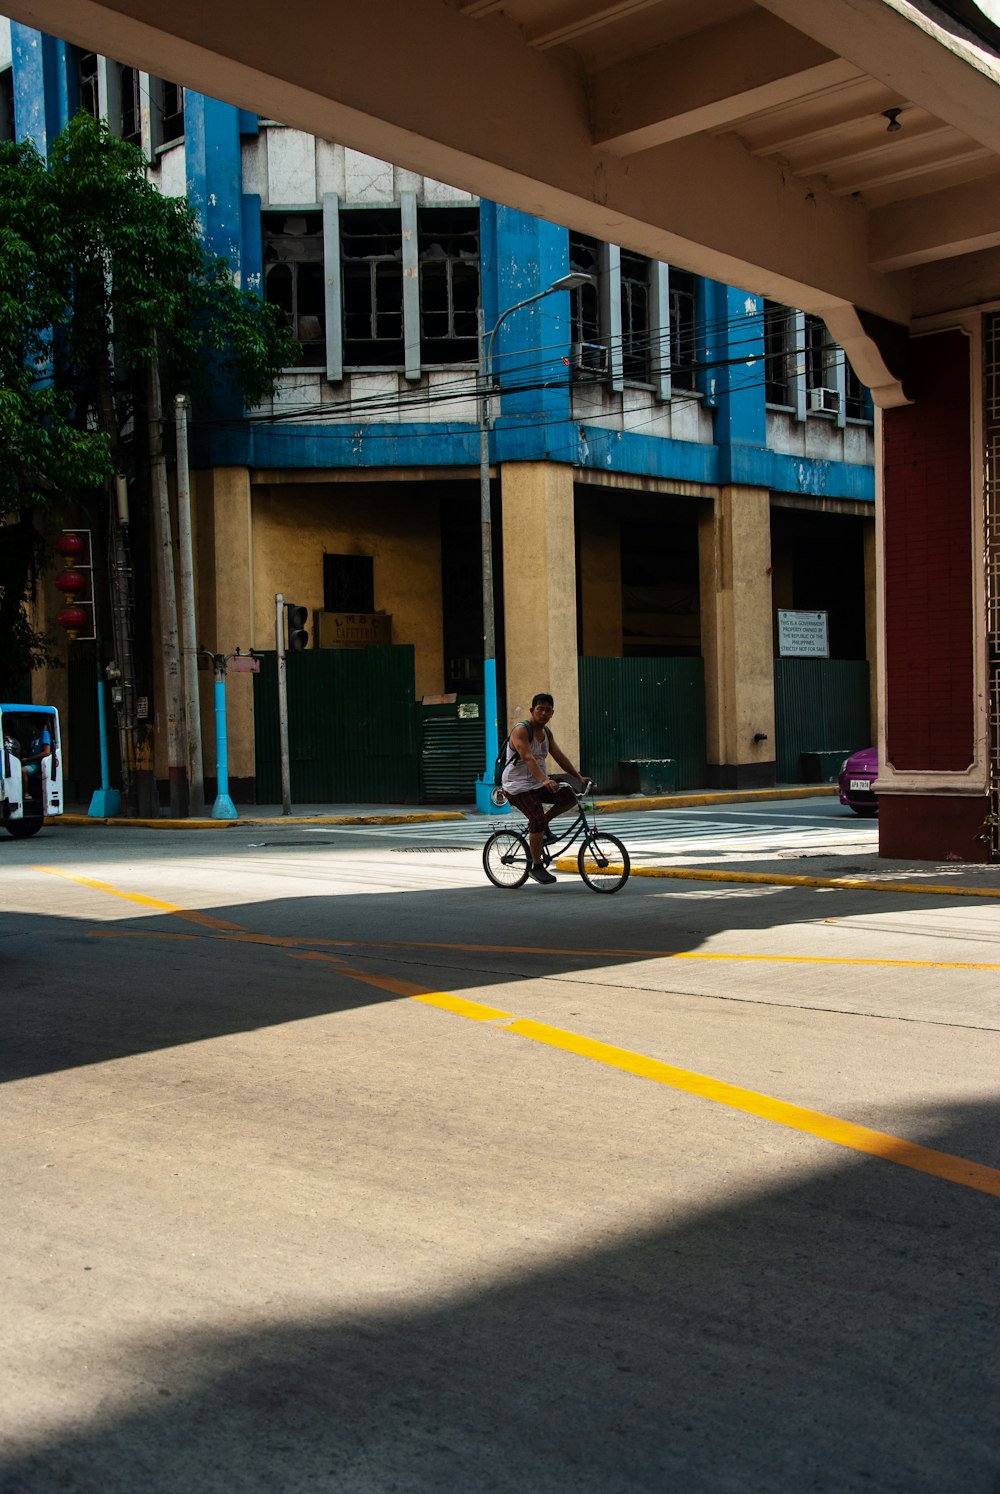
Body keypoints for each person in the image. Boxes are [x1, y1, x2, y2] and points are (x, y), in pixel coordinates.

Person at [501, 693, 587, 884]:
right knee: (536, 818)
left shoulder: (546, 733)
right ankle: (536, 866)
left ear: (552, 713)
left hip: (537, 782)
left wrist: (578, 776)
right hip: (517, 786)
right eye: (540, 709)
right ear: (532, 710)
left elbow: (559, 756)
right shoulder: (521, 731)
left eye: (548, 710)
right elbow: (528, 758)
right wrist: (544, 780)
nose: (544, 713)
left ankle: (542, 824)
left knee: (570, 796)